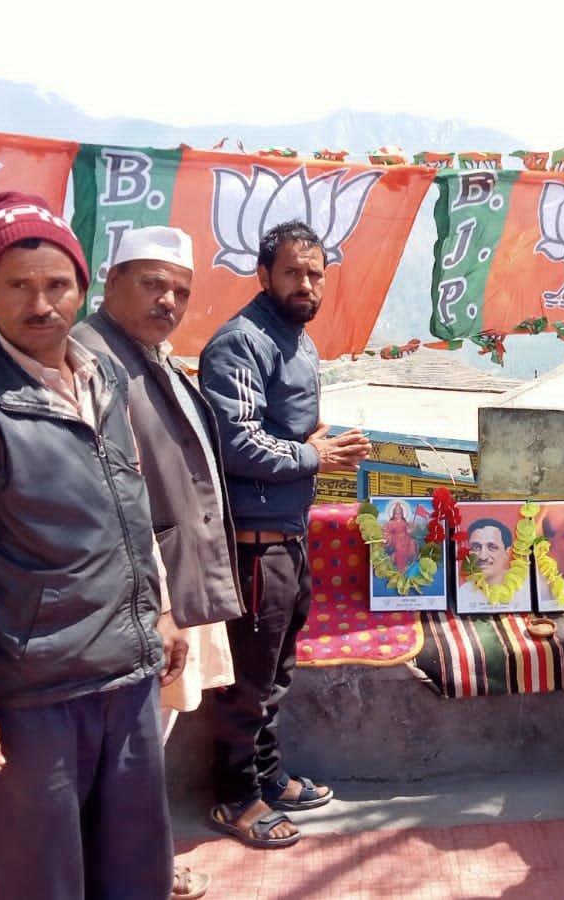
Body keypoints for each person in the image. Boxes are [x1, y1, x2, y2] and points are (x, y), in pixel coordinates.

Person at [0, 191, 184, 898]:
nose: (41, 303)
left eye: (57, 284)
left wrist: (162, 611)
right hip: (33, 695)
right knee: (44, 882)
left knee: (137, 876)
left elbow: (130, 504)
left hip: (127, 677)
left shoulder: (103, 378)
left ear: (82, 290)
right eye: (18, 286)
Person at [73, 224, 245, 899]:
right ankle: (128, 867)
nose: (168, 300)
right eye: (152, 284)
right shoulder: (93, 360)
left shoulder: (149, 354)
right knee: (129, 741)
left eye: (180, 291)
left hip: (172, 576)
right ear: (111, 282)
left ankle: (123, 859)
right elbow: (112, 494)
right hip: (138, 593)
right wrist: (160, 606)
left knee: (153, 729)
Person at [198, 220, 371, 848]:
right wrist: (315, 456)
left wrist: (321, 442)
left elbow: (288, 428)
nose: (306, 284)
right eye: (293, 272)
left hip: (289, 536)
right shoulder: (240, 343)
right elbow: (237, 442)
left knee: (275, 674)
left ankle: (267, 775)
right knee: (247, 681)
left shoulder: (297, 340)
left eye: (315, 273)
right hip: (254, 544)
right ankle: (234, 796)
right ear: (264, 274)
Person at [454, 517, 530, 610]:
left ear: (507, 551)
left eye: (492, 547)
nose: (483, 556)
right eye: (476, 547)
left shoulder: (524, 590)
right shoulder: (463, 594)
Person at [383, 501, 419, 571]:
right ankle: (400, 567)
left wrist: (413, 528)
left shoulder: (403, 522)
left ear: (402, 514)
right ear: (393, 514)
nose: (398, 515)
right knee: (399, 548)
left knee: (412, 542)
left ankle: (408, 563)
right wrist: (387, 536)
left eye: (399, 513)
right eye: (396, 513)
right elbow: (386, 531)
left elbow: (408, 531)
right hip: (395, 539)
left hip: (405, 538)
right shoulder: (391, 523)